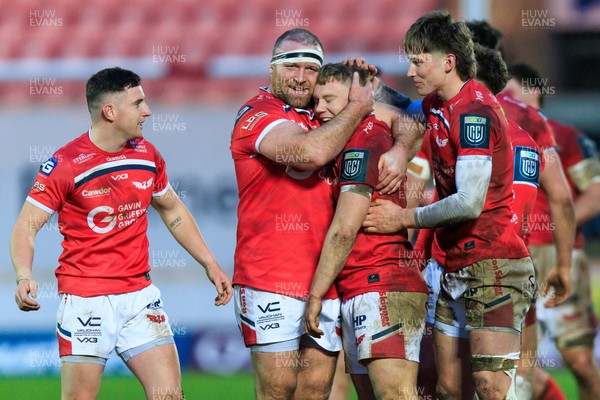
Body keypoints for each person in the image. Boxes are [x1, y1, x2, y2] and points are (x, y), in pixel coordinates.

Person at [10, 67, 232, 400]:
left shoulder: (146, 154)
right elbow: (25, 226)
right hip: (86, 300)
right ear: (110, 111)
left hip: (139, 295)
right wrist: (23, 275)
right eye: (138, 103)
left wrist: (210, 263)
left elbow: (172, 209)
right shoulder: (66, 163)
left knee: (169, 395)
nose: (148, 111)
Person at [229, 29, 419, 400]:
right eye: (291, 66)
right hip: (271, 274)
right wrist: (356, 105)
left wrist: (394, 139)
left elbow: (414, 114)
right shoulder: (257, 114)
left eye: (310, 68)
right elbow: (310, 154)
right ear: (271, 69)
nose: (301, 77)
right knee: (279, 389)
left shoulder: (326, 112)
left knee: (317, 389)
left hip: (328, 276)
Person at [364, 10, 539, 399]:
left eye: (418, 60)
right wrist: (372, 86)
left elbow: (469, 203)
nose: (411, 70)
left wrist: (402, 217)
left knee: (490, 388)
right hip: (456, 267)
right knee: (447, 389)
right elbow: (405, 108)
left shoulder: (473, 112)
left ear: (449, 62)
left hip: (495, 269)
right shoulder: (437, 106)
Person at [303, 63, 428, 400]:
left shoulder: (363, 140)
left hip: (382, 284)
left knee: (397, 396)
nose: (320, 109)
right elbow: (409, 122)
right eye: (316, 101)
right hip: (361, 285)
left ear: (357, 97)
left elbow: (345, 229)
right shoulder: (355, 137)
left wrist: (315, 295)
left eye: (329, 98)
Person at [507, 63, 600, 400]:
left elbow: (596, 189)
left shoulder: (565, 136)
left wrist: (564, 224)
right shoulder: (498, 132)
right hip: (515, 256)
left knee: (579, 360)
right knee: (520, 364)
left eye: (511, 93)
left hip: (561, 257)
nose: (504, 100)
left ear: (533, 92)